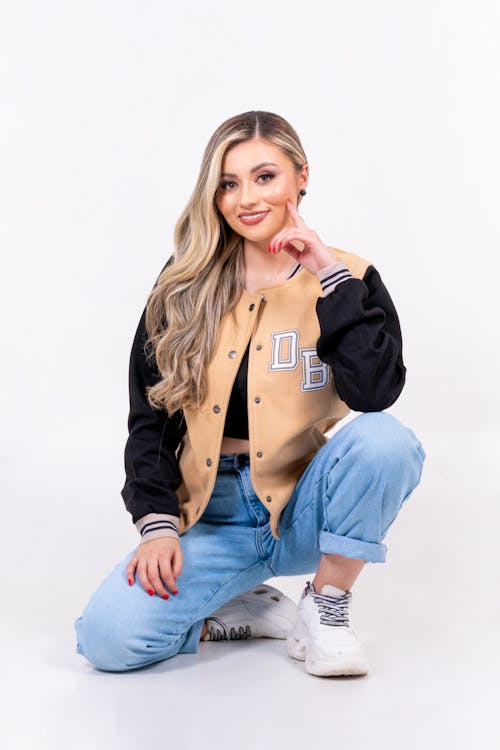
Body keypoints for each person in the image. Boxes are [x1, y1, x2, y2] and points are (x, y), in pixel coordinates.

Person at [74, 110, 426, 678]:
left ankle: (327, 606)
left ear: (301, 177)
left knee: (387, 441)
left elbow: (375, 391)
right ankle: (241, 601)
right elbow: (149, 417)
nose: (246, 199)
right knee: (107, 641)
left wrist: (325, 272)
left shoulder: (350, 276)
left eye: (265, 177)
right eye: (228, 184)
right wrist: (157, 523)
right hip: (209, 516)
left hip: (303, 508)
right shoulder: (183, 284)